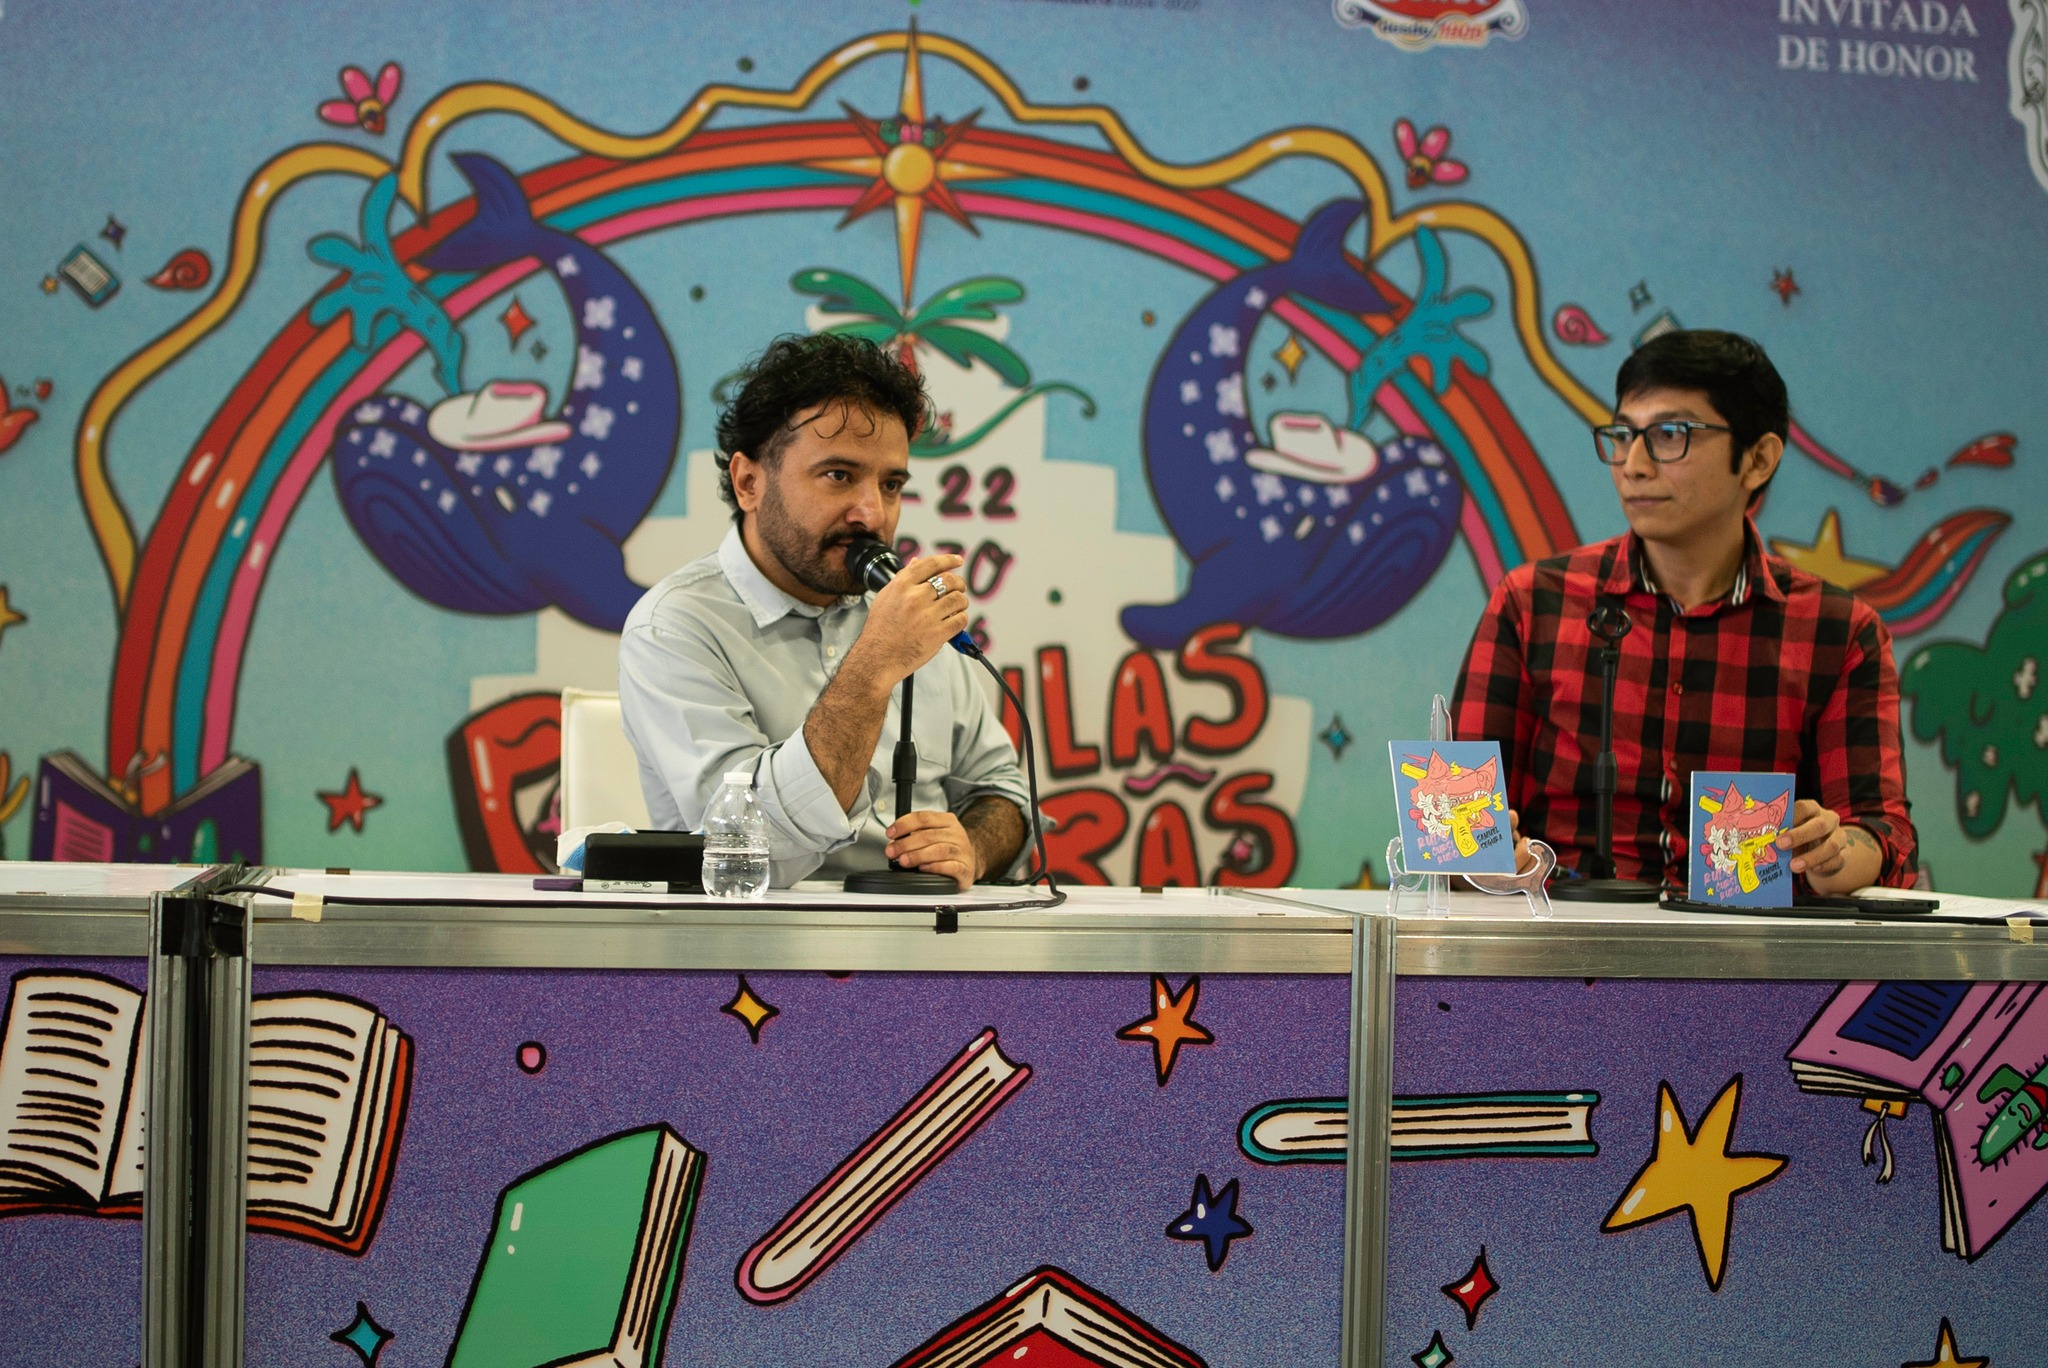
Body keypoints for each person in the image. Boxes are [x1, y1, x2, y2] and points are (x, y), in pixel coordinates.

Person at [1451, 329, 1917, 894]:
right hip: (1563, 933)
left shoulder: (1839, 632)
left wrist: (1832, 855)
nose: (1633, 465)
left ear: (1758, 460)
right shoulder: (1532, 603)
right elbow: (1454, 832)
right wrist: (1481, 857)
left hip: (1748, 944)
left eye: (1670, 435)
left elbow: (1883, 835)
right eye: (1623, 436)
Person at [618, 333, 1029, 889]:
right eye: (839, 475)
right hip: (755, 938)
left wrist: (972, 848)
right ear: (749, 482)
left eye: (891, 484)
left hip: (926, 936)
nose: (872, 514)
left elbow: (1004, 792)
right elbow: (749, 851)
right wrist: (875, 663)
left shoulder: (906, 611)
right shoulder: (673, 627)